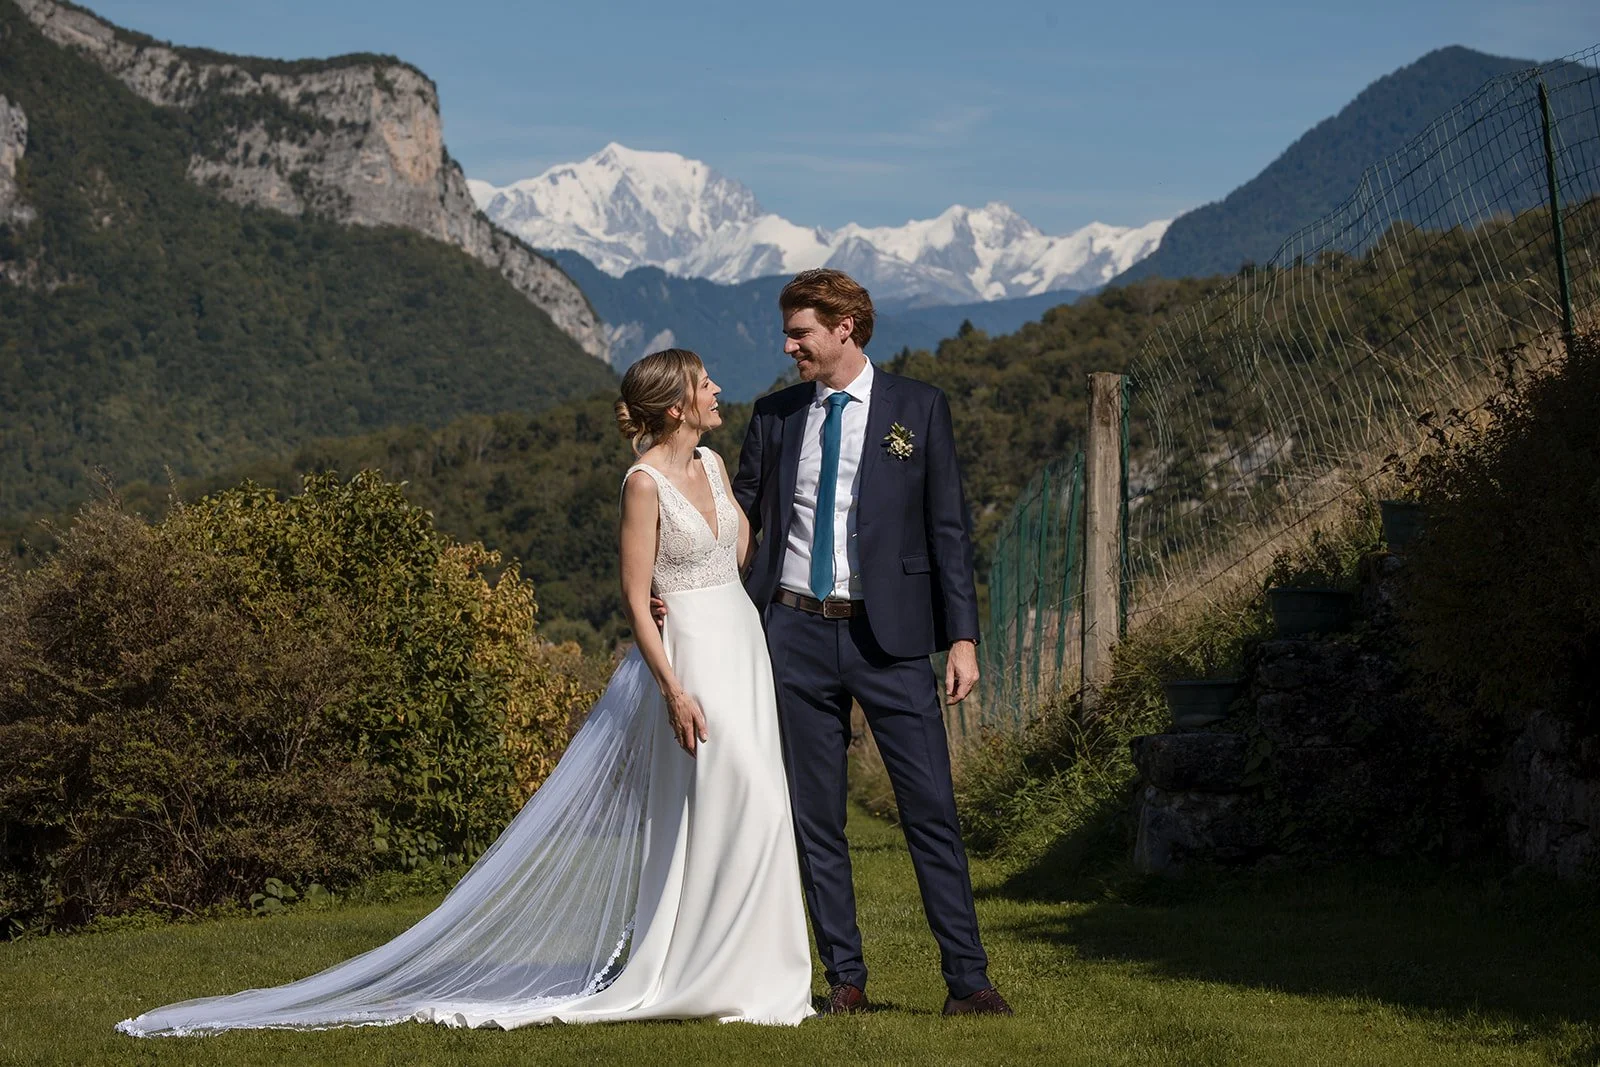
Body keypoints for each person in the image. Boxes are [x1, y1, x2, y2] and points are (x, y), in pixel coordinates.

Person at [116, 349, 815, 1037]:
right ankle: (702, 967)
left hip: (742, 642)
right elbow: (636, 596)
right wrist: (670, 685)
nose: (718, 388)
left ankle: (756, 973)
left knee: (758, 804)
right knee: (730, 795)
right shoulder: (641, 483)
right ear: (676, 404)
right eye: (704, 382)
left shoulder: (715, 465)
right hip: (690, 655)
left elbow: (740, 553)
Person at [733, 268, 1011, 1017]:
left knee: (930, 808)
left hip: (890, 640)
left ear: (845, 328)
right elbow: (743, 528)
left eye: (801, 333)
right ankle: (845, 979)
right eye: (790, 333)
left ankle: (969, 980)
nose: (789, 345)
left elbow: (948, 528)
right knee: (815, 816)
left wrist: (962, 636)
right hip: (791, 632)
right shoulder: (774, 416)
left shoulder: (918, 408)